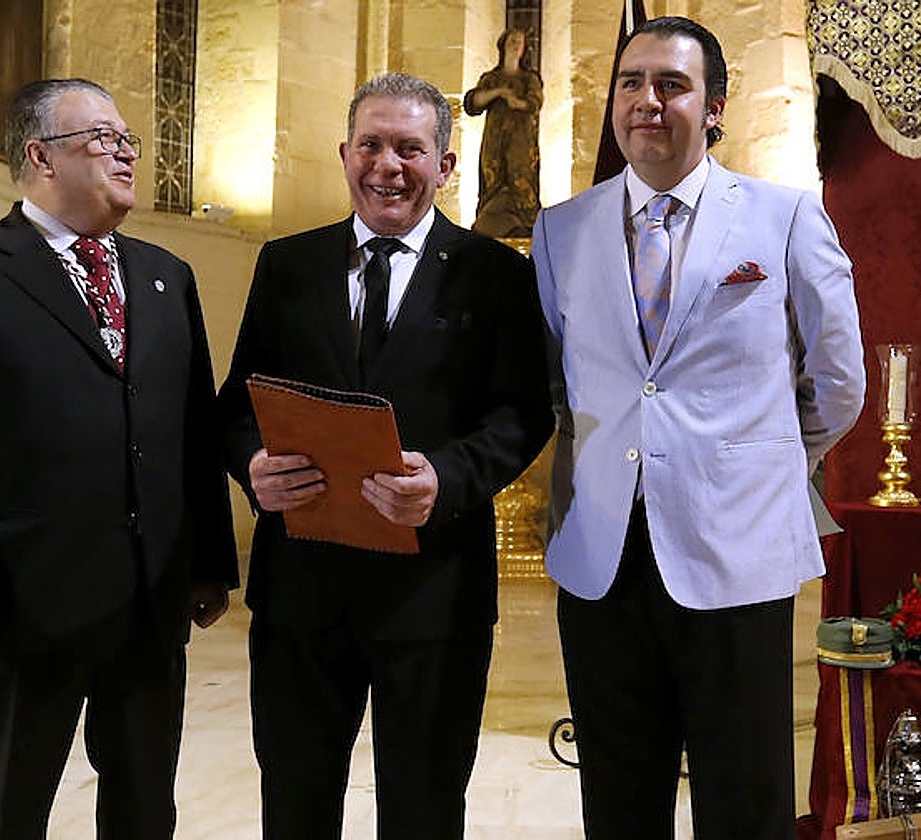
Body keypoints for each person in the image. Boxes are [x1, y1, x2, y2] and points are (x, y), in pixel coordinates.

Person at [0, 78, 238, 839]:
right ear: (39, 156)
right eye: (102, 138)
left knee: (143, 813)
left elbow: (190, 432)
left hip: (146, 610)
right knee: (2, 813)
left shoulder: (169, 276)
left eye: (128, 138)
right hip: (17, 614)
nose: (126, 152)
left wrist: (206, 561)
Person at [532, 17, 864, 839]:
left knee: (743, 803)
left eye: (671, 86)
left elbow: (840, 380)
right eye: (632, 83)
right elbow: (557, 387)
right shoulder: (558, 230)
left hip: (736, 551)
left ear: (714, 107)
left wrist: (755, 458)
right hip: (603, 559)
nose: (649, 101)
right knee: (618, 801)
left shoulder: (785, 218)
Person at [218, 72, 554, 838]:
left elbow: (522, 412)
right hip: (302, 594)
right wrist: (253, 467)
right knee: (295, 808)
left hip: (433, 596)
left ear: (445, 165)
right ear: (344, 153)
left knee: (425, 811)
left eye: (410, 148)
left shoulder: (497, 274)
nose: (387, 166)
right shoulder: (286, 265)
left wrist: (449, 478)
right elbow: (237, 404)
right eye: (370, 145)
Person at [463, 28, 543, 238]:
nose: (515, 45)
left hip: (521, 143)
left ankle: (523, 225)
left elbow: (535, 103)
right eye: (512, 41)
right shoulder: (491, 78)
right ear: (503, 45)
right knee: (493, 183)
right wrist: (498, 92)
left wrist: (518, 102)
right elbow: (473, 103)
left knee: (522, 182)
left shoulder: (529, 79)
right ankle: (491, 223)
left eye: (520, 42)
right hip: (495, 143)